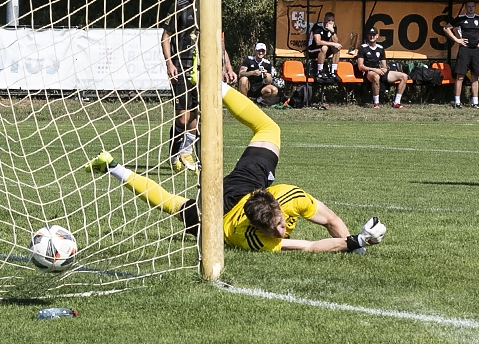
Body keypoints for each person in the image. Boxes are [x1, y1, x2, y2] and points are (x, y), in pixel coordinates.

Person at [88, 85, 387, 252]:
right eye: (278, 229)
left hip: (246, 189)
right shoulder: (254, 239)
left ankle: (216, 86)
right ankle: (114, 167)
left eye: (281, 224)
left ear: (274, 198)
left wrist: (356, 246)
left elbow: (330, 219)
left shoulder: (287, 195)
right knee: (173, 204)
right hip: (217, 217)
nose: (282, 232)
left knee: (269, 127)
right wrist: (356, 241)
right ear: (261, 229)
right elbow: (308, 246)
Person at [160, 0, 199, 173]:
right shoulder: (180, 6)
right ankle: (175, 153)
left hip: (201, 68)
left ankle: (186, 151)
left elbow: (220, 38)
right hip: (182, 65)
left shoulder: (210, 8)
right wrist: (170, 63)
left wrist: (225, 65)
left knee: (196, 115)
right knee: (183, 117)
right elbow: (165, 36)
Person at [444, 1, 479, 109]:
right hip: (464, 49)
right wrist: (457, 40)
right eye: (469, 6)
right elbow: (446, 28)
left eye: (472, 6)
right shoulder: (460, 18)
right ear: (466, 7)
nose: (470, 8)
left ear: (475, 7)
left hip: (475, 50)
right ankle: (457, 101)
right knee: (460, 76)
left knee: (475, 76)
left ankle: (475, 102)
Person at [355, 27, 409, 109]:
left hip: (379, 71)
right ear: (367, 36)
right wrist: (375, 70)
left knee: (404, 76)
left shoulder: (380, 48)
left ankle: (396, 102)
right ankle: (376, 103)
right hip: (369, 72)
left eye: (373, 35)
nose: (372, 37)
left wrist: (384, 69)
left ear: (377, 36)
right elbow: (360, 66)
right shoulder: (363, 48)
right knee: (376, 76)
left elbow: (384, 65)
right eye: (370, 35)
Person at [307, 12, 341, 79]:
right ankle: (320, 71)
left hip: (324, 51)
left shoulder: (333, 27)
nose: (330, 22)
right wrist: (333, 44)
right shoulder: (318, 26)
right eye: (328, 20)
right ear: (324, 19)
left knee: (337, 48)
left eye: (332, 20)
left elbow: (335, 41)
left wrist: (332, 32)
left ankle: (333, 72)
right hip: (312, 49)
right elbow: (318, 42)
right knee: (324, 47)